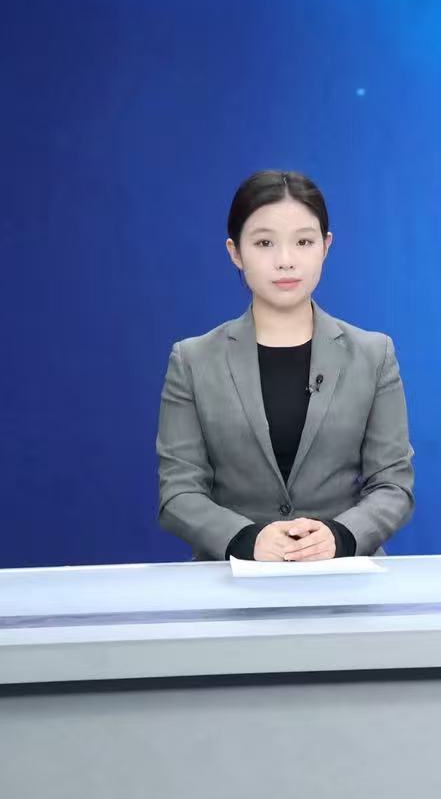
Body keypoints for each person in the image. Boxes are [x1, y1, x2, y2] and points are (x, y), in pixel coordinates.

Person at [157, 171, 414, 561]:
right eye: (264, 243)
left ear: (325, 246)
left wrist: (341, 537)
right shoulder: (192, 361)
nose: (286, 261)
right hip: (232, 580)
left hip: (344, 579)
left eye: (303, 241)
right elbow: (178, 493)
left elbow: (394, 486)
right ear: (235, 252)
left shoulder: (373, 354)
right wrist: (247, 540)